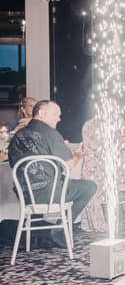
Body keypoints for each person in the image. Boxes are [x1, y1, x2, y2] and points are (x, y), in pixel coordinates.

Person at [7, 100, 97, 248]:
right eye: (56, 115)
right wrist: (77, 156)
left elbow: (14, 165)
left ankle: (33, 235)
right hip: (51, 194)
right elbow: (68, 167)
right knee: (90, 186)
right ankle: (59, 230)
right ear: (41, 114)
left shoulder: (18, 135)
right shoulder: (50, 133)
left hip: (26, 195)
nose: (59, 119)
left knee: (49, 183)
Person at [78, 113, 125, 232]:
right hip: (103, 171)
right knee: (97, 177)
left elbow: (121, 152)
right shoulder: (96, 126)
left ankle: (93, 218)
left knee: (91, 178)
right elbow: (116, 151)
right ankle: (99, 219)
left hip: (101, 170)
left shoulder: (90, 124)